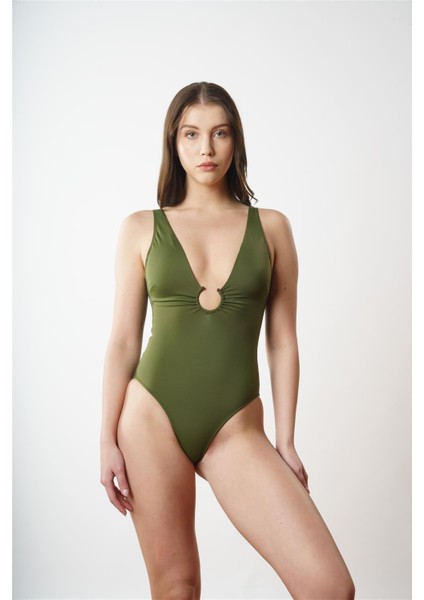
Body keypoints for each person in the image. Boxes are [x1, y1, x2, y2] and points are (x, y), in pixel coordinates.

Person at [100, 81, 355, 599]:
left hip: (235, 427)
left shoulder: (272, 227)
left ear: (236, 140)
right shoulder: (141, 228)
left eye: (220, 133)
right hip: (150, 418)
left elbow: (282, 340)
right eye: (191, 134)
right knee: (177, 588)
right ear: (173, 142)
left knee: (329, 588)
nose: (206, 149)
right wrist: (106, 439)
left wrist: (285, 440)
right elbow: (124, 341)